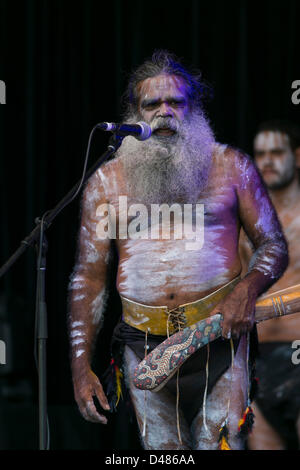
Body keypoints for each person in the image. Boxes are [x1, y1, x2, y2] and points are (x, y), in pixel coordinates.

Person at [68, 51, 288, 450]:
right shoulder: (106, 181)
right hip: (141, 344)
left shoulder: (232, 166)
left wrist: (247, 288)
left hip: (220, 339)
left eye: (176, 102)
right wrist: (81, 366)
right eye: (152, 104)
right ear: (135, 116)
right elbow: (89, 277)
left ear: (193, 110)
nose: (164, 112)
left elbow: (272, 244)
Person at [239, 120, 300, 450]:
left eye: (277, 152)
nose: (267, 161)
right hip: (258, 359)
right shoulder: (245, 222)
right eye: (260, 154)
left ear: (298, 156)